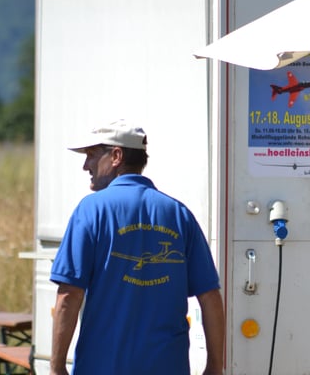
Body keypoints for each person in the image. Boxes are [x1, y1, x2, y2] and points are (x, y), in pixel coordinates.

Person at [49, 120, 225, 375]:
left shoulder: (91, 210)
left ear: (116, 156)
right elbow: (210, 296)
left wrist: (56, 368)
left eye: (92, 155)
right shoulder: (179, 214)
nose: (86, 165)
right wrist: (215, 366)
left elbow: (69, 295)